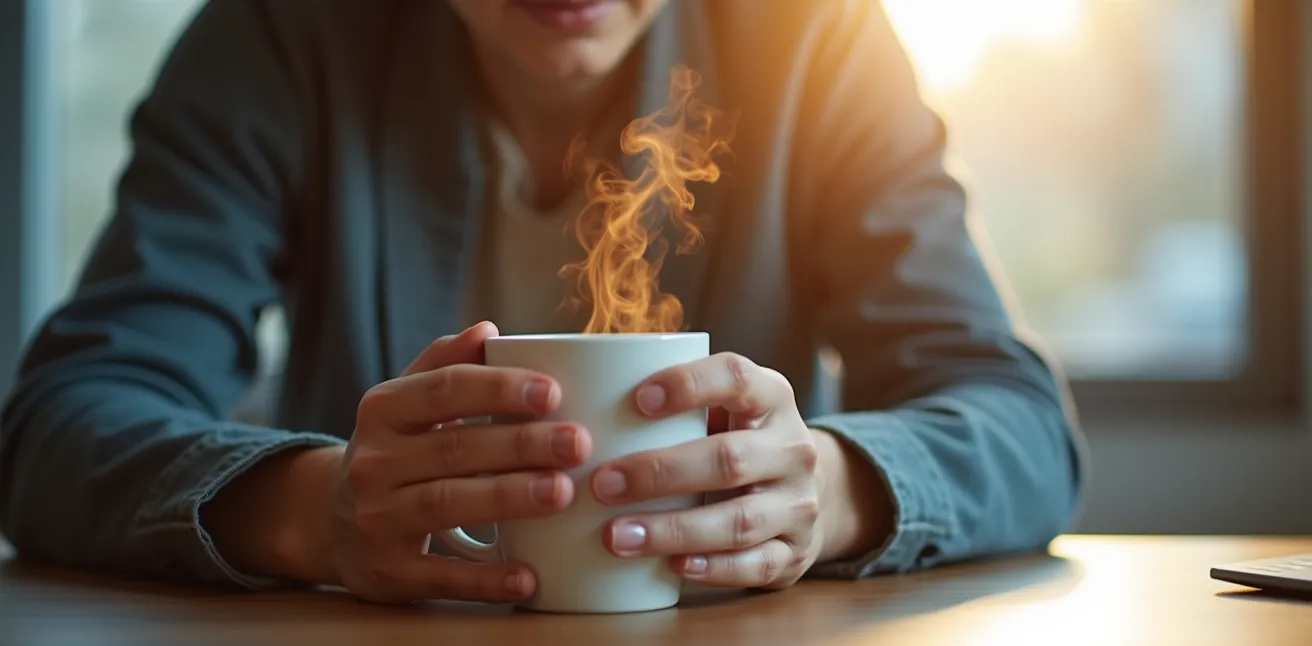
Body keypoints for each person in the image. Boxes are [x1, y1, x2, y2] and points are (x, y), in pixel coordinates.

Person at [0, 0, 1085, 605]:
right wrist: (310, 513)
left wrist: (824, 492)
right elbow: (64, 421)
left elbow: (1016, 422)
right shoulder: (284, 35)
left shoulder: (814, 40)